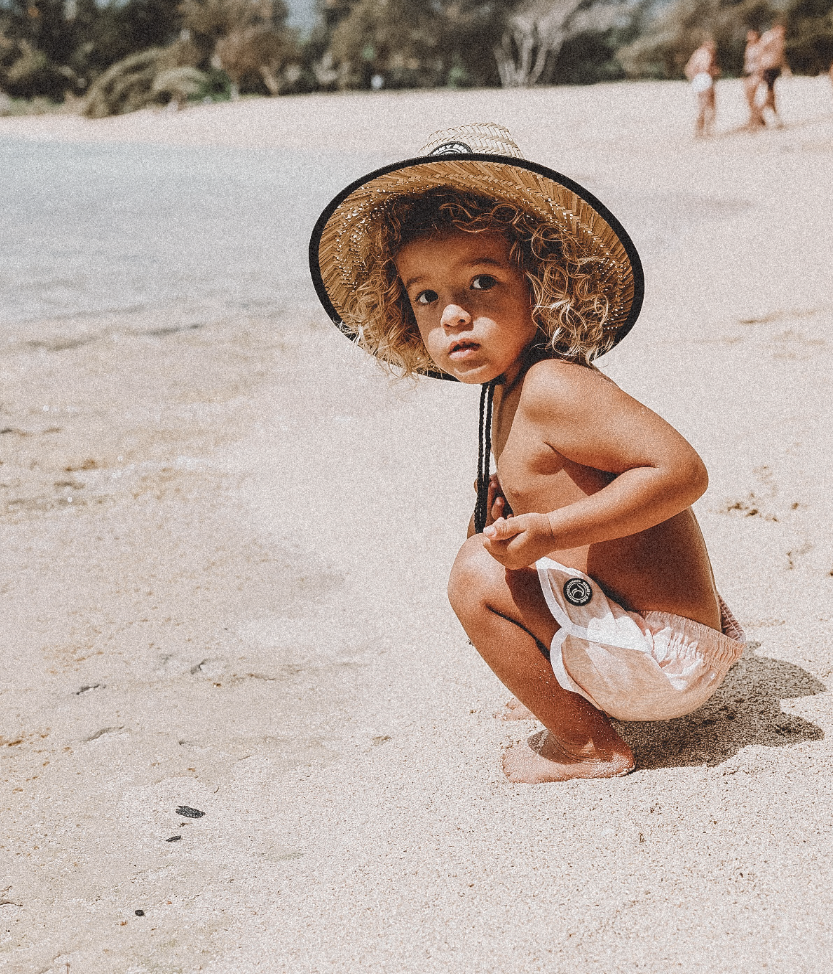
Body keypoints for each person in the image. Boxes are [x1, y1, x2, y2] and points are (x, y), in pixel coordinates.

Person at [309, 123, 746, 782]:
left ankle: (590, 745)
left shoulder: (553, 386)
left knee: (472, 577)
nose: (451, 313)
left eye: (480, 282)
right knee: (485, 548)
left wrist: (549, 530)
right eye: (425, 295)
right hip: (662, 646)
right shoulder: (507, 390)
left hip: (667, 658)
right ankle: (572, 693)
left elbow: (683, 473)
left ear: (541, 286)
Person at [685, 39, 721, 137]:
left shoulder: (696, 53)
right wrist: (715, 72)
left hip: (697, 79)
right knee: (708, 106)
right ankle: (706, 130)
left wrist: (693, 78)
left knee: (702, 104)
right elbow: (706, 68)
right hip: (705, 78)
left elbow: (688, 68)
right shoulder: (707, 55)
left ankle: (699, 131)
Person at [755, 23, 787, 127]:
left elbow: (781, 55)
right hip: (767, 68)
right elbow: (760, 51)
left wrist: (785, 68)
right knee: (769, 94)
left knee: (771, 94)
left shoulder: (780, 40)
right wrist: (759, 68)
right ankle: (758, 115)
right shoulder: (768, 37)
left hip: (774, 68)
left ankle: (766, 117)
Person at [743, 30, 766, 130]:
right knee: (749, 99)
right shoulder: (748, 47)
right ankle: (759, 119)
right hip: (748, 73)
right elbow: (746, 61)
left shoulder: (759, 47)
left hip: (755, 73)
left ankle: (754, 121)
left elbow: (761, 61)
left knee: (752, 97)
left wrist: (760, 75)